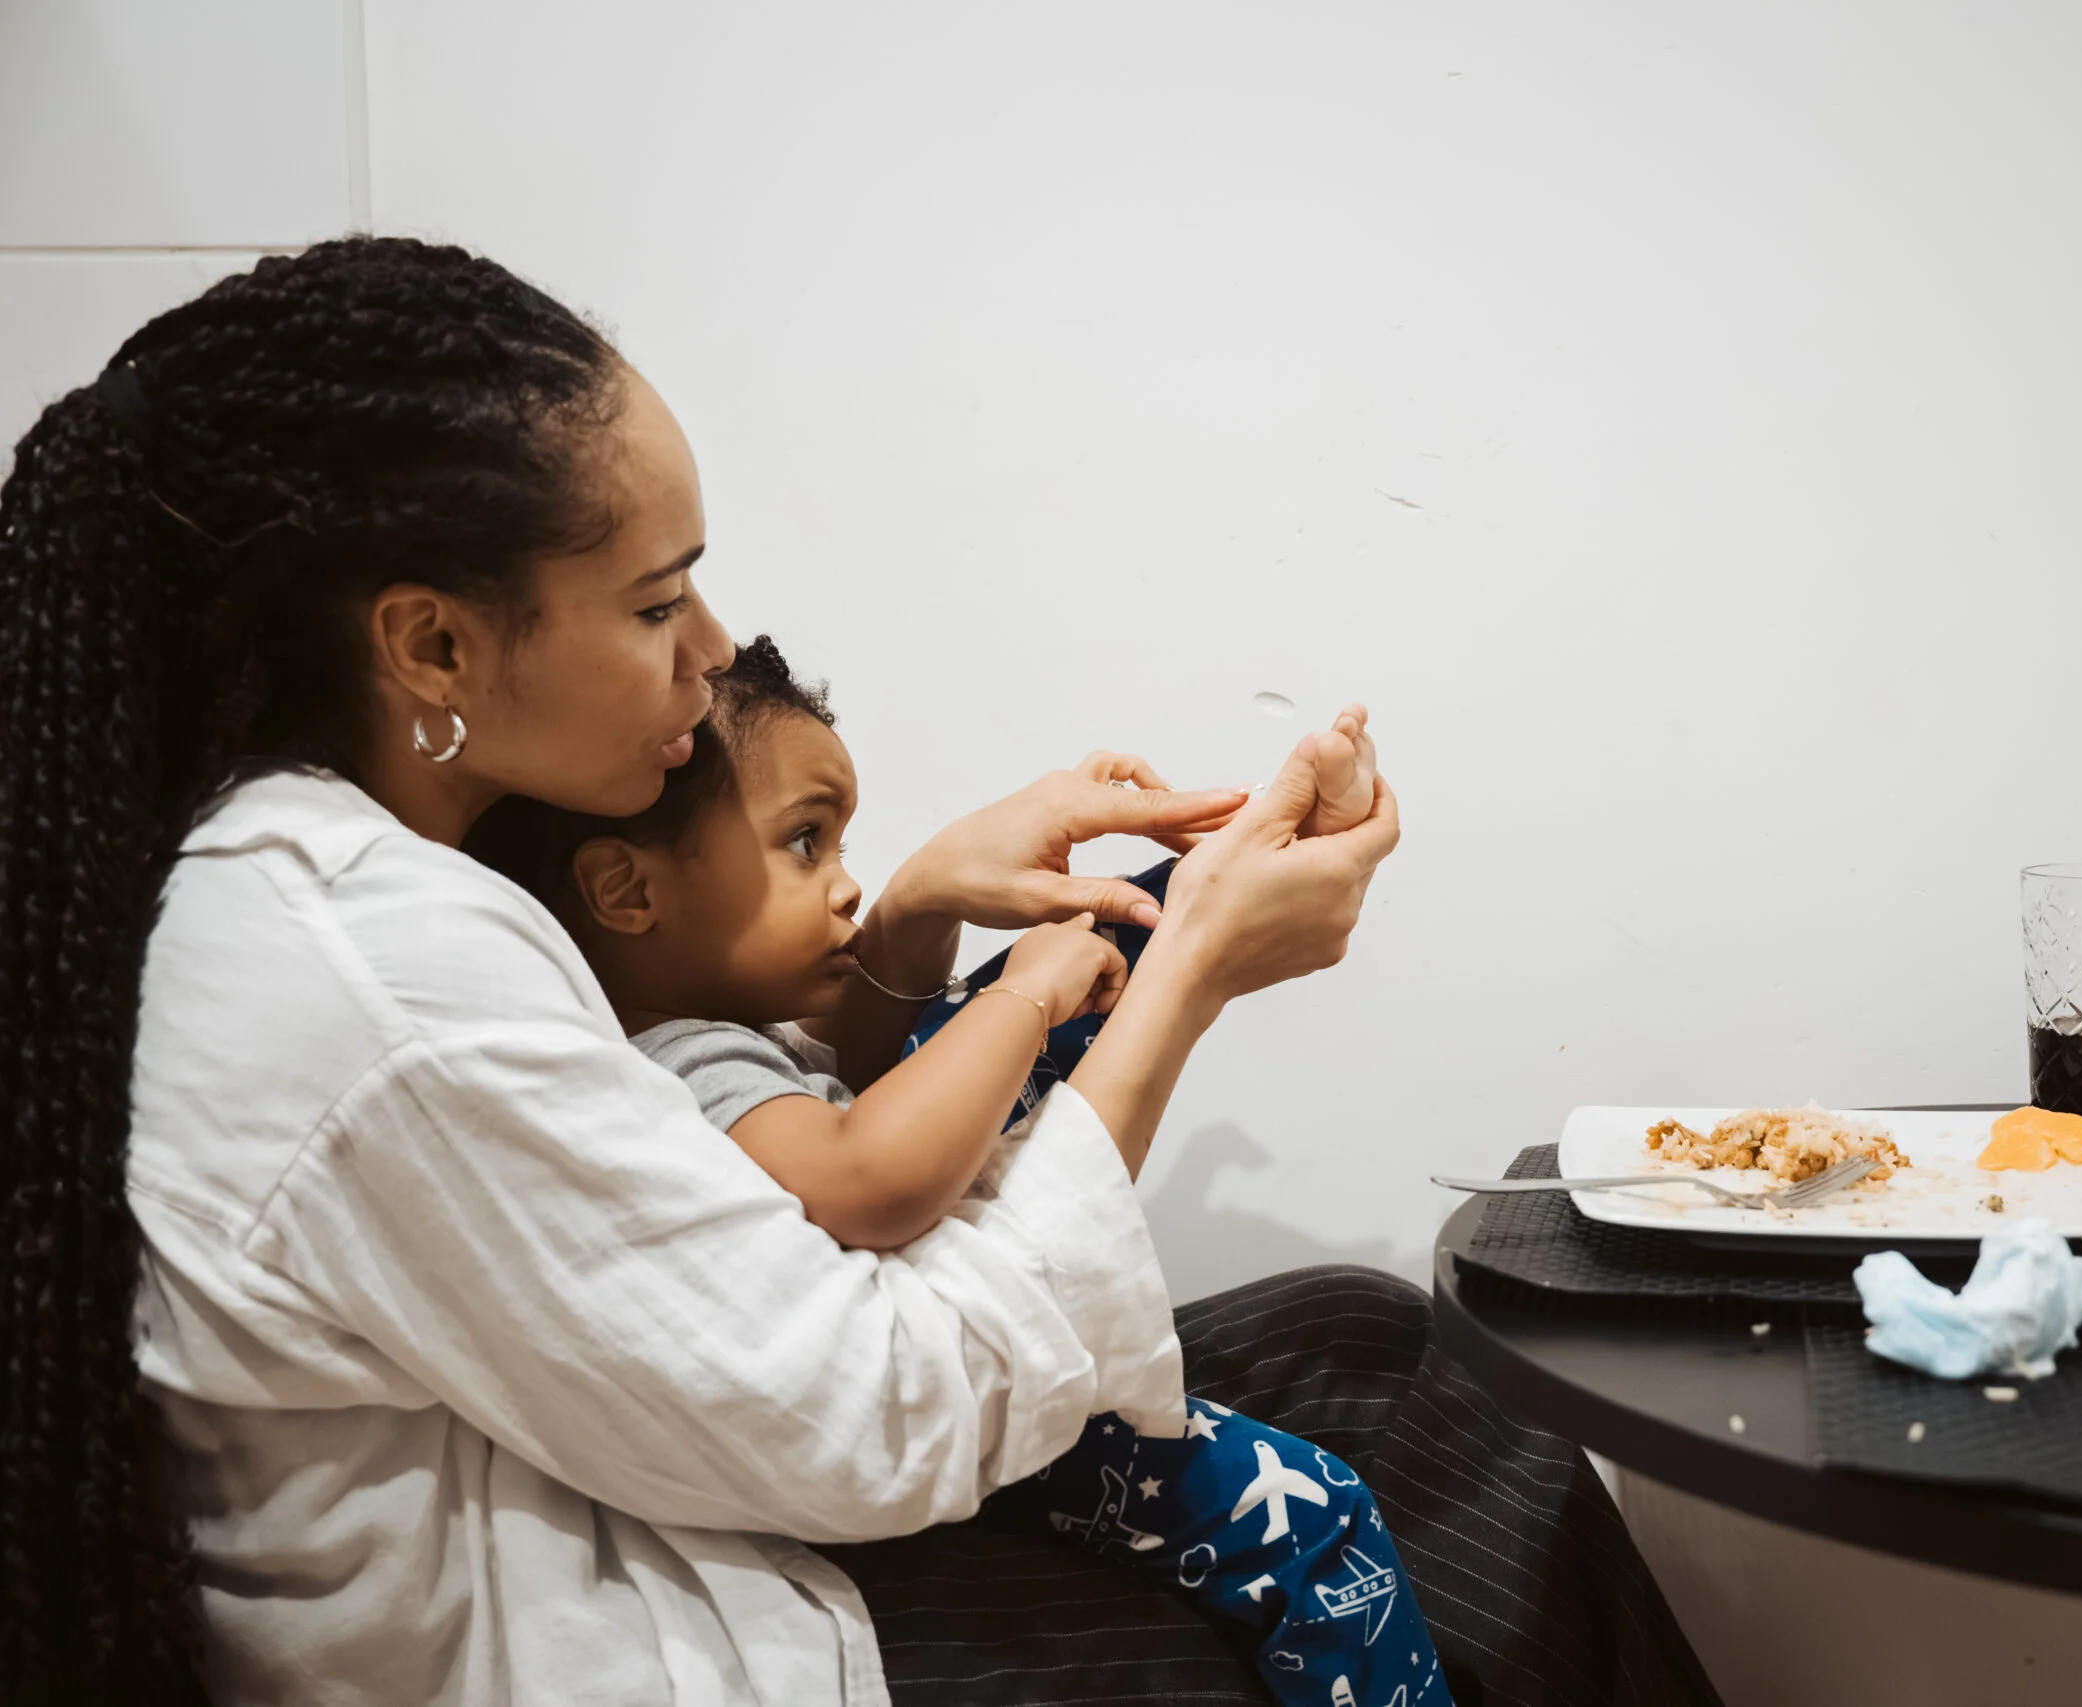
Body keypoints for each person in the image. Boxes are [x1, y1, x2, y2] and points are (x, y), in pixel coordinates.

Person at [0, 236, 1716, 1706]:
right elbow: (867, 1401)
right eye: (655, 598)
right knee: (1404, 1526)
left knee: (1366, 1339)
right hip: (665, 1627)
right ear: (433, 642)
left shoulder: (368, 871)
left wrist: (905, 926)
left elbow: (698, 1163)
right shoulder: (374, 964)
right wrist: (1173, 967)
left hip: (691, 1500)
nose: (712, 647)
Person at [470, 634, 1447, 1707]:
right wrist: (1019, 999)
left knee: (1069, 966)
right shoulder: (683, 1063)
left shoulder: (703, 1036)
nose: (846, 888)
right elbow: (865, 1181)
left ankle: (1252, 849)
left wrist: (966, 933)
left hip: (917, 1380)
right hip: (941, 1418)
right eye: (805, 844)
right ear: (625, 890)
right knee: (1319, 1518)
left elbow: (871, 1062)